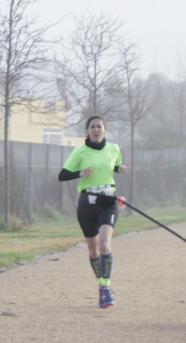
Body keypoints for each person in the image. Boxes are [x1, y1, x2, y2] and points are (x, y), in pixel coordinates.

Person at [57, 115, 129, 309]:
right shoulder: (80, 151)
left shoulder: (114, 148)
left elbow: (114, 166)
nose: (96, 130)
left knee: (105, 245)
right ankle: (101, 285)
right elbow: (62, 175)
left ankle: (106, 288)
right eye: (92, 127)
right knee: (94, 250)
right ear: (87, 131)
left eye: (99, 126)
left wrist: (120, 169)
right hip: (87, 203)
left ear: (105, 129)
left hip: (109, 201)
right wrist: (79, 173)